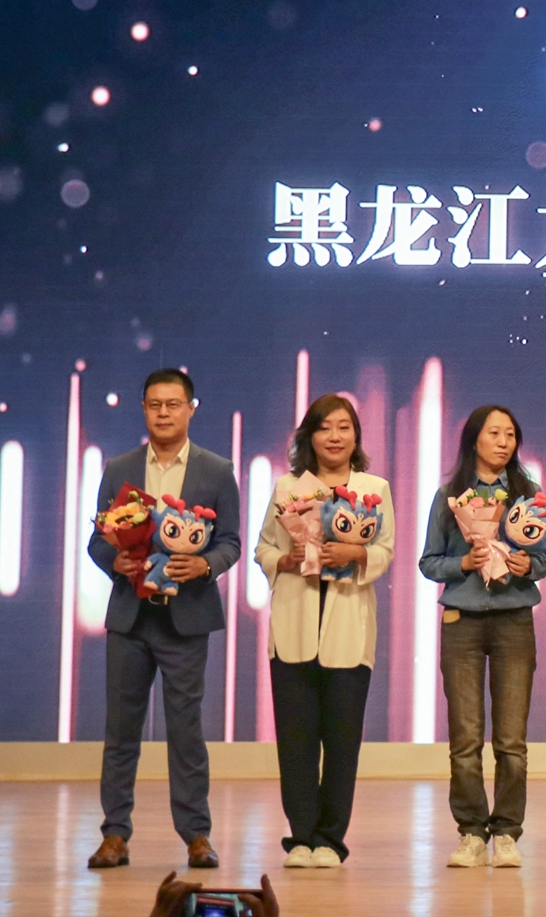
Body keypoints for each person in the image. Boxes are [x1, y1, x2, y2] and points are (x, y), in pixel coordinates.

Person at [86, 368, 241, 872]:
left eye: (173, 404)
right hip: (131, 620)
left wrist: (205, 565)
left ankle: (196, 835)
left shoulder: (216, 470)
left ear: (190, 409)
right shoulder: (120, 468)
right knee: (121, 731)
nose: (164, 413)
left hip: (186, 619)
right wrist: (115, 562)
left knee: (186, 731)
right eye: (155, 404)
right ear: (144, 410)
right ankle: (115, 834)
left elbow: (231, 542)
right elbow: (97, 539)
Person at [253, 393, 395, 869]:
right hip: (293, 625)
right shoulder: (287, 487)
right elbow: (264, 549)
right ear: (309, 437)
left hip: (348, 630)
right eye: (324, 428)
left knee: (341, 741)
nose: (334, 437)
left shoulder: (375, 488)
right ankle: (301, 837)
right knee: (295, 741)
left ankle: (331, 839)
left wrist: (356, 554)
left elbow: (387, 550)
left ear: (356, 437)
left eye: (343, 427)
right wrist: (285, 560)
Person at [418, 405, 546, 869]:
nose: (503, 442)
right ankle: (472, 832)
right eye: (494, 433)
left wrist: (527, 565)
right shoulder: (449, 495)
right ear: (474, 438)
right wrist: (463, 564)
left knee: (511, 740)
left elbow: (544, 559)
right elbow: (429, 561)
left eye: (510, 434)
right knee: (466, 737)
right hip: (463, 622)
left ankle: (507, 832)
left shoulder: (527, 494)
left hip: (514, 620)